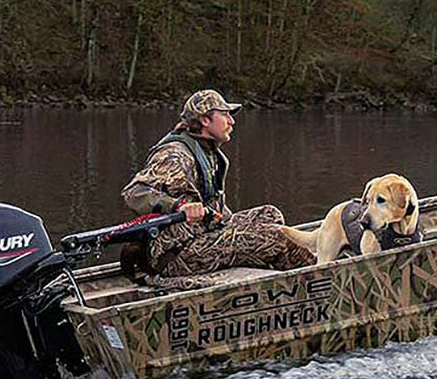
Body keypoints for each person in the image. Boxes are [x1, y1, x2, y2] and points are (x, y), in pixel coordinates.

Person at [121, 89, 314, 278]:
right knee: (274, 237)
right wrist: (178, 206)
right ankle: (317, 274)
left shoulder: (208, 152)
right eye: (225, 115)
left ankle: (288, 270)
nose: (232, 121)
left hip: (202, 236)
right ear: (205, 120)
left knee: (270, 215)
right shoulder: (175, 155)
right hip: (177, 254)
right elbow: (134, 193)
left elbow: (213, 205)